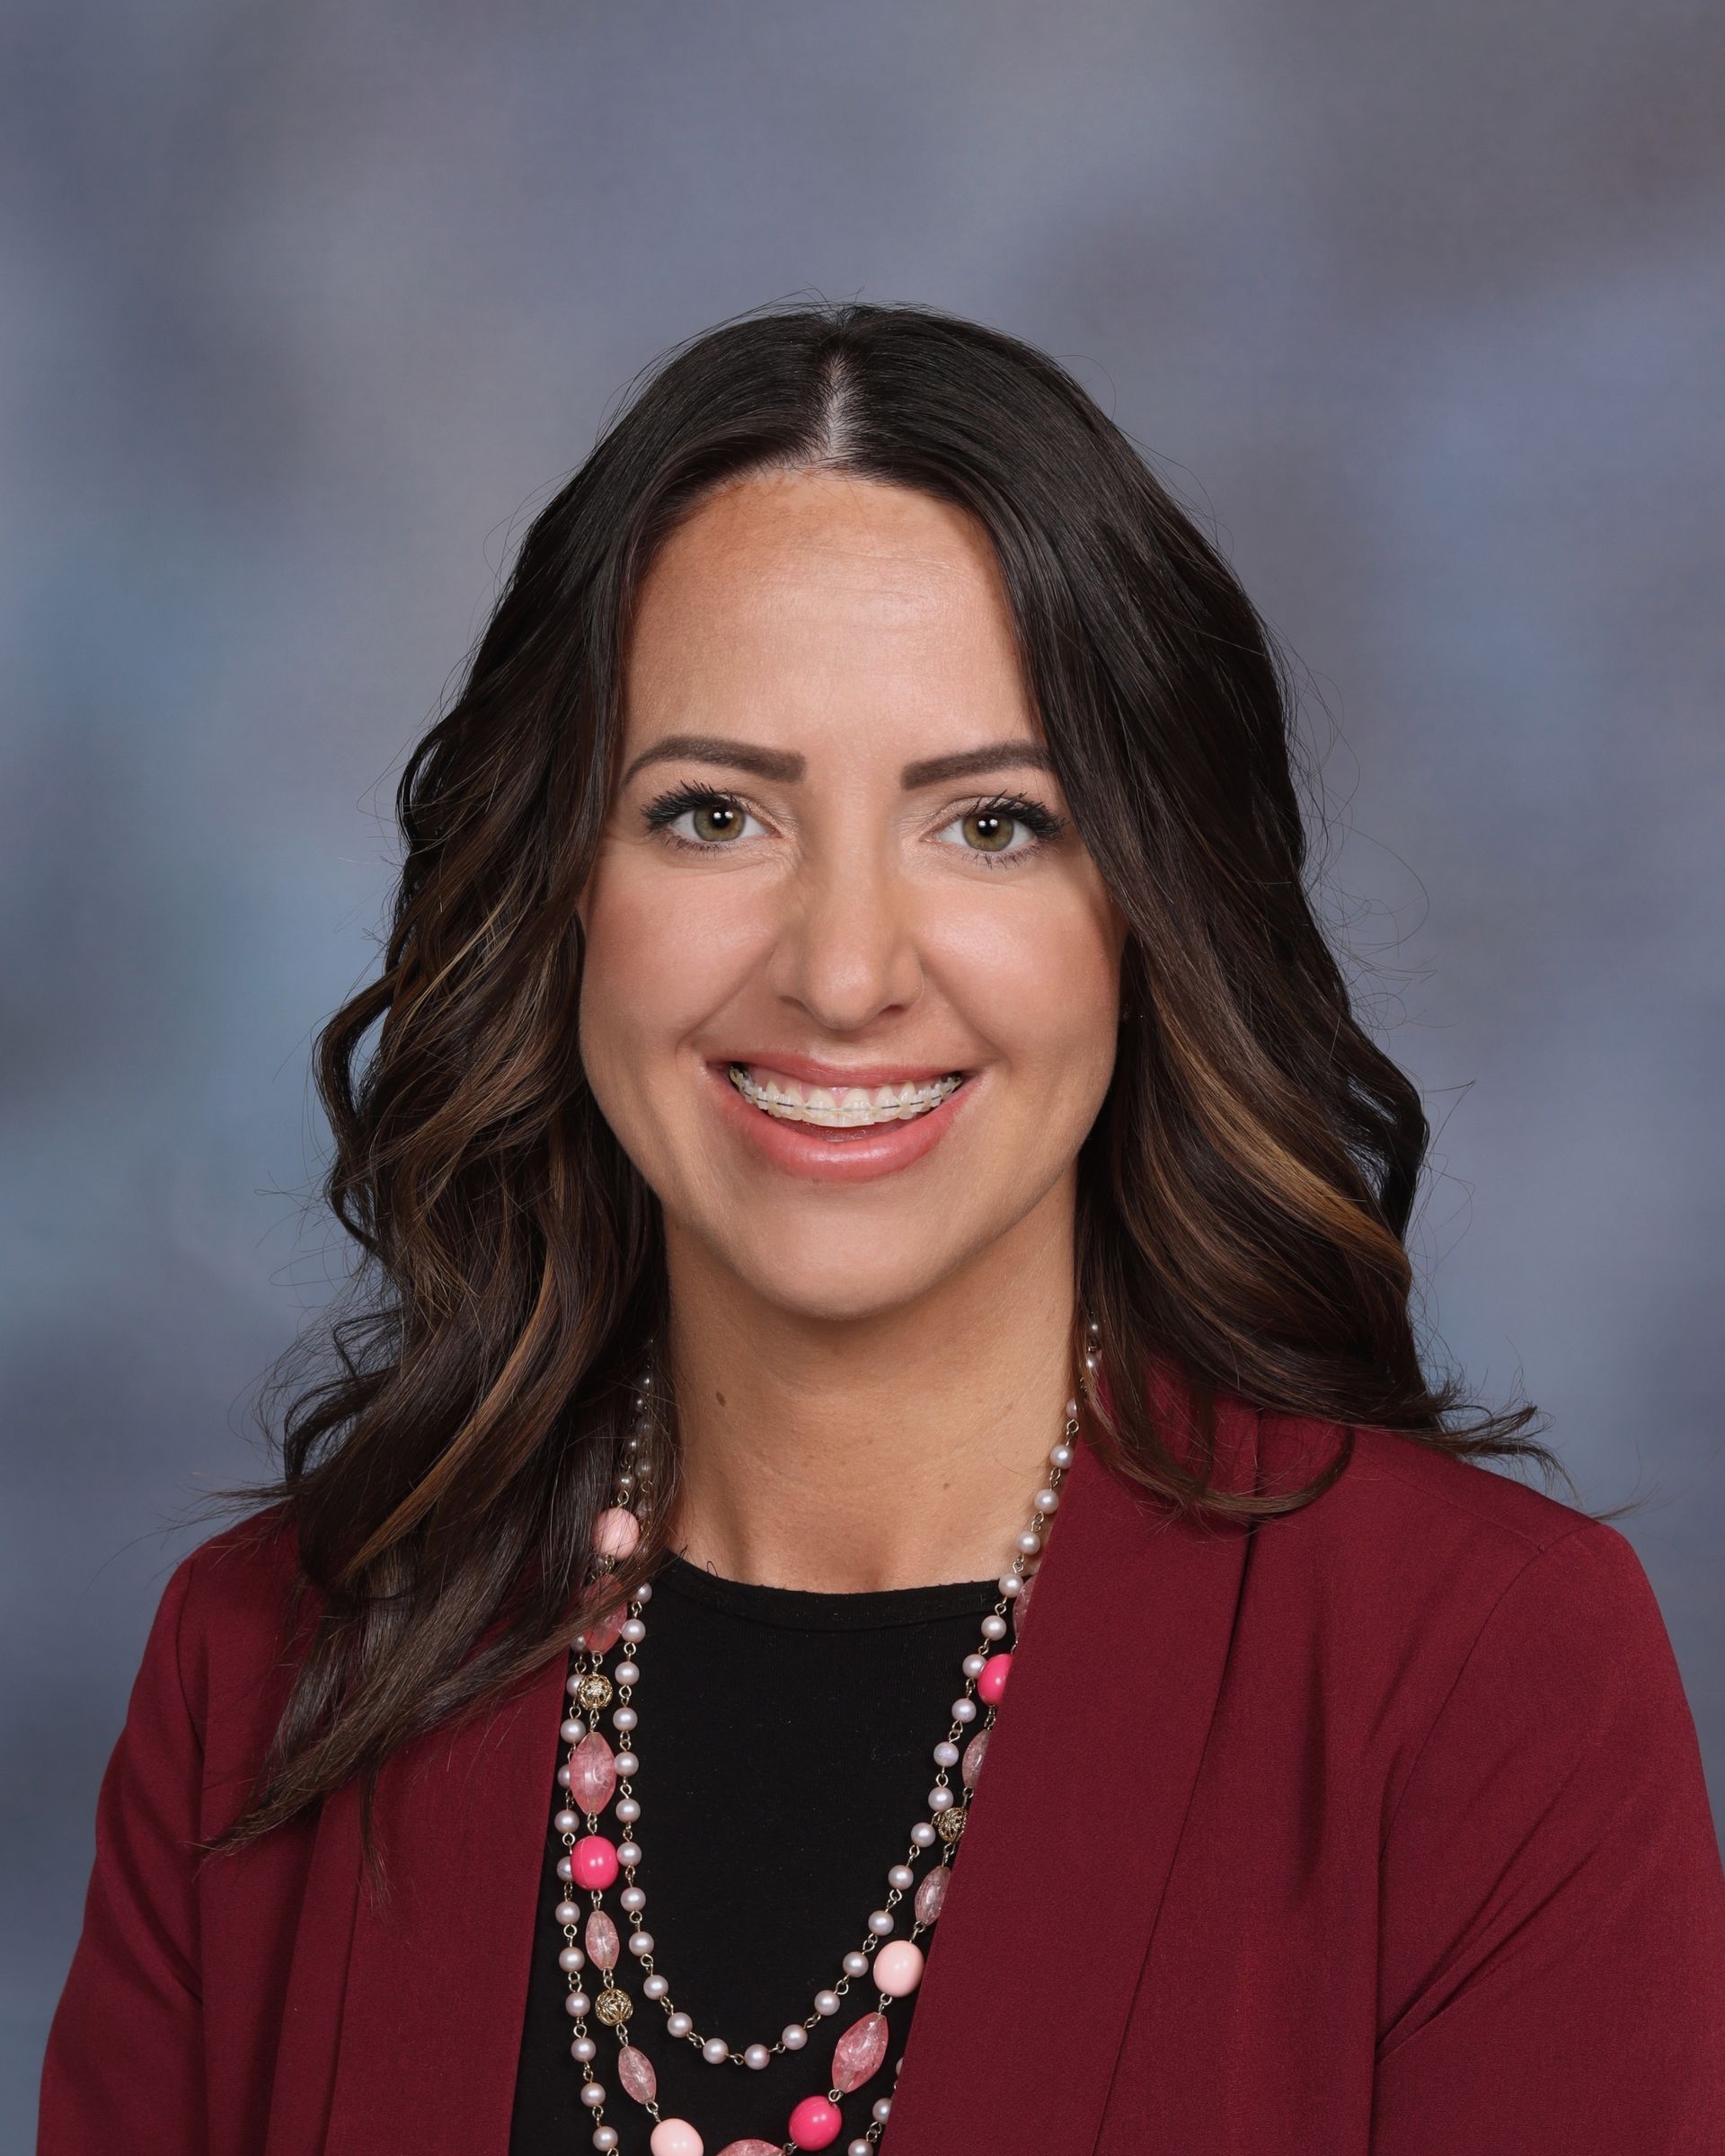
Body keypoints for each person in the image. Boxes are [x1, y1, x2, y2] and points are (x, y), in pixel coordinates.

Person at [38, 300, 1725, 2156]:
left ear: (1148, 910)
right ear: (560, 892)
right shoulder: (269, 1667)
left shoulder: (1482, 1679)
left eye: (992, 823)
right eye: (712, 814)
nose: (844, 973)